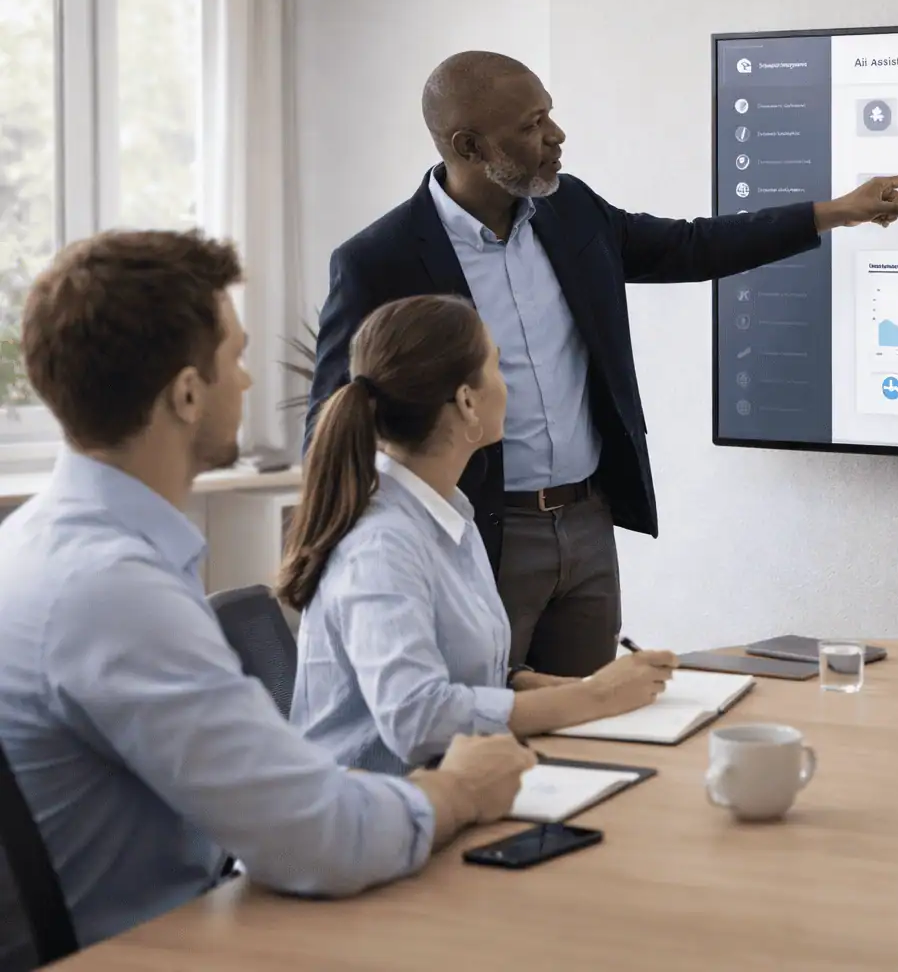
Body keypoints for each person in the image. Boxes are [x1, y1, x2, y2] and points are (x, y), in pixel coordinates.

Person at [305, 50, 898, 677]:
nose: (556, 135)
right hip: (476, 533)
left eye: (549, 114)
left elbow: (689, 246)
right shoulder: (378, 261)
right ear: (469, 146)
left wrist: (834, 211)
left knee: (590, 724)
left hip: (587, 522)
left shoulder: (571, 210)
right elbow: (329, 427)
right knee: (478, 731)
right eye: (530, 124)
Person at [0, 230, 536, 951]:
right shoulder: (114, 593)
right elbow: (320, 837)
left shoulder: (39, 544)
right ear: (188, 393)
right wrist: (462, 789)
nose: (248, 382)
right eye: (236, 358)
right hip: (163, 945)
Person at [281, 295, 680, 773]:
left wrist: (521, 684)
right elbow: (417, 719)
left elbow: (448, 666)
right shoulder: (382, 545)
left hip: (450, 793)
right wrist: (594, 696)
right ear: (468, 402)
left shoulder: (446, 512)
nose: (508, 386)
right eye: (497, 366)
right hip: (375, 818)